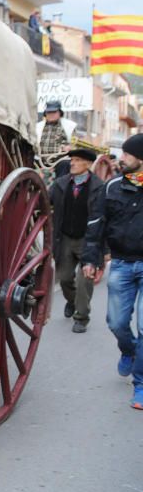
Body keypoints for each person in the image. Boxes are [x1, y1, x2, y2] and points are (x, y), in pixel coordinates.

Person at [83, 133, 143, 410]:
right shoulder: (112, 188)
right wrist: (91, 260)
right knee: (116, 323)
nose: (122, 158)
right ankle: (128, 350)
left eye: (128, 155)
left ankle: (140, 386)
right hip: (120, 263)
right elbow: (96, 226)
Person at [49, 148, 105, 333]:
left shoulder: (99, 187)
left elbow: (105, 219)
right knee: (65, 278)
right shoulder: (60, 184)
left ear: (88, 164)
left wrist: (104, 250)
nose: (72, 163)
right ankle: (72, 302)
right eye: (71, 159)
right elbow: (44, 200)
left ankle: (81, 317)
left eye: (77, 160)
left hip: (87, 240)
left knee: (84, 281)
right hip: (65, 237)